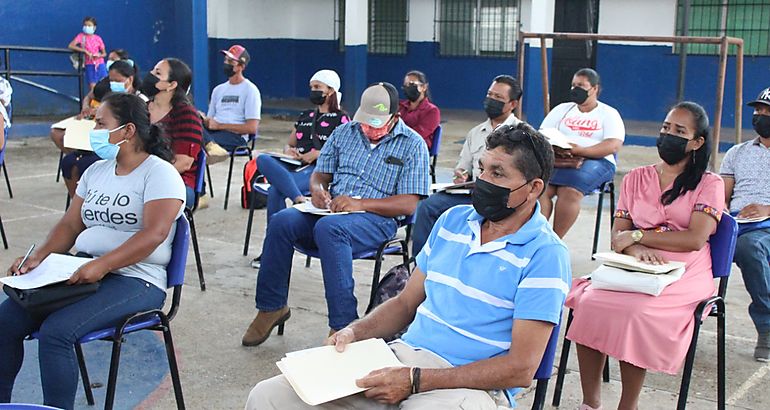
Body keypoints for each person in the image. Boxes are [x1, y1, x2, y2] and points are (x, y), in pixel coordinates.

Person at [245, 123, 570, 410]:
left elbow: (521, 369)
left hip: (470, 386)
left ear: (534, 188)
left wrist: (416, 380)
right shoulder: (452, 222)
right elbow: (404, 303)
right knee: (269, 397)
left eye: (497, 174)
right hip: (402, 357)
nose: (481, 181)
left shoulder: (544, 254)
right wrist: (354, 331)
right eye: (481, 168)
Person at [0, 92, 185, 410]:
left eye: (101, 123)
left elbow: (154, 234)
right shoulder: (96, 172)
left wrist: (102, 264)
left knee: (58, 331)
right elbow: (70, 226)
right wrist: (38, 258)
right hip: (84, 269)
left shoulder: (160, 173)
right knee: (5, 321)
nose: (93, 129)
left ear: (128, 131)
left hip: (137, 279)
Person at [241, 82, 430, 345]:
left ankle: (343, 324)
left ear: (395, 117)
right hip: (332, 213)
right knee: (283, 220)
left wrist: (361, 204)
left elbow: (409, 204)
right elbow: (320, 175)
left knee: (329, 230)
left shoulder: (412, 145)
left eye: (376, 124)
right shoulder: (344, 132)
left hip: (376, 220)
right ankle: (271, 307)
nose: (369, 129)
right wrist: (317, 189)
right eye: (365, 123)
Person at [565, 101, 724, 410]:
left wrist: (638, 236)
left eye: (680, 131)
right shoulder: (637, 177)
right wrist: (635, 248)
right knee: (589, 302)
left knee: (636, 312)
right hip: (635, 264)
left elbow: (695, 239)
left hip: (684, 272)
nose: (669, 135)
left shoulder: (709, 183)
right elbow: (618, 234)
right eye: (666, 128)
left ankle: (629, 405)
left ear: (697, 142)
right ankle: (591, 403)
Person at [411, 74, 522, 255]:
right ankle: (420, 265)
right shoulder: (476, 133)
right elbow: (463, 166)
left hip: (502, 198)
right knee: (427, 207)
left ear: (513, 104)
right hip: (472, 193)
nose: (491, 100)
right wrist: (461, 175)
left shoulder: (520, 135)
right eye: (490, 95)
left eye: (498, 98)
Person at [250, 70, 349, 267]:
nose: (313, 91)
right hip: (295, 165)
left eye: (317, 87)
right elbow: (289, 143)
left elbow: (346, 150)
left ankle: (272, 252)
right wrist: (289, 151)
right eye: (311, 87)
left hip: (318, 171)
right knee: (262, 159)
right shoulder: (306, 116)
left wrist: (318, 153)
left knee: (276, 190)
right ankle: (298, 198)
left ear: (330, 91)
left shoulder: (342, 119)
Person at [538, 68, 625, 238]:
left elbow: (613, 145)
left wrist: (581, 150)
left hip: (597, 160)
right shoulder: (562, 109)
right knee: (540, 189)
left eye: (581, 86)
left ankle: (555, 240)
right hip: (561, 159)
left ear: (595, 89)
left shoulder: (609, 113)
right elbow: (543, 134)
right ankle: (537, 238)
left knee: (570, 191)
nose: (575, 89)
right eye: (573, 85)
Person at [719, 86, 770, 361]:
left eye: (767, 111)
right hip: (736, 222)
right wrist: (722, 210)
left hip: (767, 224)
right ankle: (678, 316)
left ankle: (767, 325)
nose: (760, 115)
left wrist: (766, 208)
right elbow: (722, 195)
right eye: (758, 110)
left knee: (749, 249)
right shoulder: (737, 153)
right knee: (690, 238)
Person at [60, 61, 147, 198]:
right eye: (111, 80)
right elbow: (92, 99)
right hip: (104, 144)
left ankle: (92, 200)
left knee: (86, 164)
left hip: (121, 148)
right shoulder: (109, 98)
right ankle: (78, 202)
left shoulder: (141, 101)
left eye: (117, 80)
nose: (113, 83)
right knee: (69, 161)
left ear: (130, 79)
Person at [143, 57, 203, 208]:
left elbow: (183, 163)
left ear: (171, 85)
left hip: (176, 181)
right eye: (152, 71)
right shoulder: (140, 109)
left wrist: (146, 179)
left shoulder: (187, 115)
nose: (150, 75)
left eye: (157, 73)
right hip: (140, 177)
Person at [201, 44, 261, 162]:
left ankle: (209, 145)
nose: (226, 63)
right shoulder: (218, 90)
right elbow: (210, 118)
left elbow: (252, 128)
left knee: (197, 143)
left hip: (235, 137)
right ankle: (210, 145)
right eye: (225, 60)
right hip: (214, 133)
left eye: (231, 61)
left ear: (241, 66)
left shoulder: (250, 90)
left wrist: (219, 126)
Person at [398, 70, 440, 149]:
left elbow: (418, 135)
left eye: (411, 84)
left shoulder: (432, 111)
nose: (408, 88)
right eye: (405, 85)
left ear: (424, 87)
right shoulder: (400, 106)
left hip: (417, 149)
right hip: (398, 145)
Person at [68, 16, 107, 90]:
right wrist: (84, 51)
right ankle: (93, 102)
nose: (87, 27)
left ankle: (103, 101)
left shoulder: (98, 38)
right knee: (93, 88)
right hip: (89, 65)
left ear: (94, 27)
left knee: (105, 86)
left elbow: (104, 53)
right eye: (85, 25)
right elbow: (71, 46)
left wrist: (98, 56)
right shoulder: (81, 36)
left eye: (89, 25)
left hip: (100, 64)